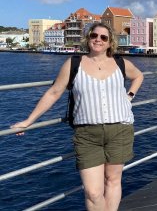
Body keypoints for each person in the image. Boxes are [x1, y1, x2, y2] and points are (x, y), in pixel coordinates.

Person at [11, 23, 144, 210]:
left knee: (113, 181)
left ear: (109, 42)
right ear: (88, 38)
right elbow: (54, 92)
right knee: (93, 192)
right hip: (87, 134)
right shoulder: (74, 64)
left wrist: (129, 96)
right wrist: (28, 121)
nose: (98, 39)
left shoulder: (120, 63)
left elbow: (138, 76)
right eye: (94, 35)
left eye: (103, 37)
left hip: (120, 129)